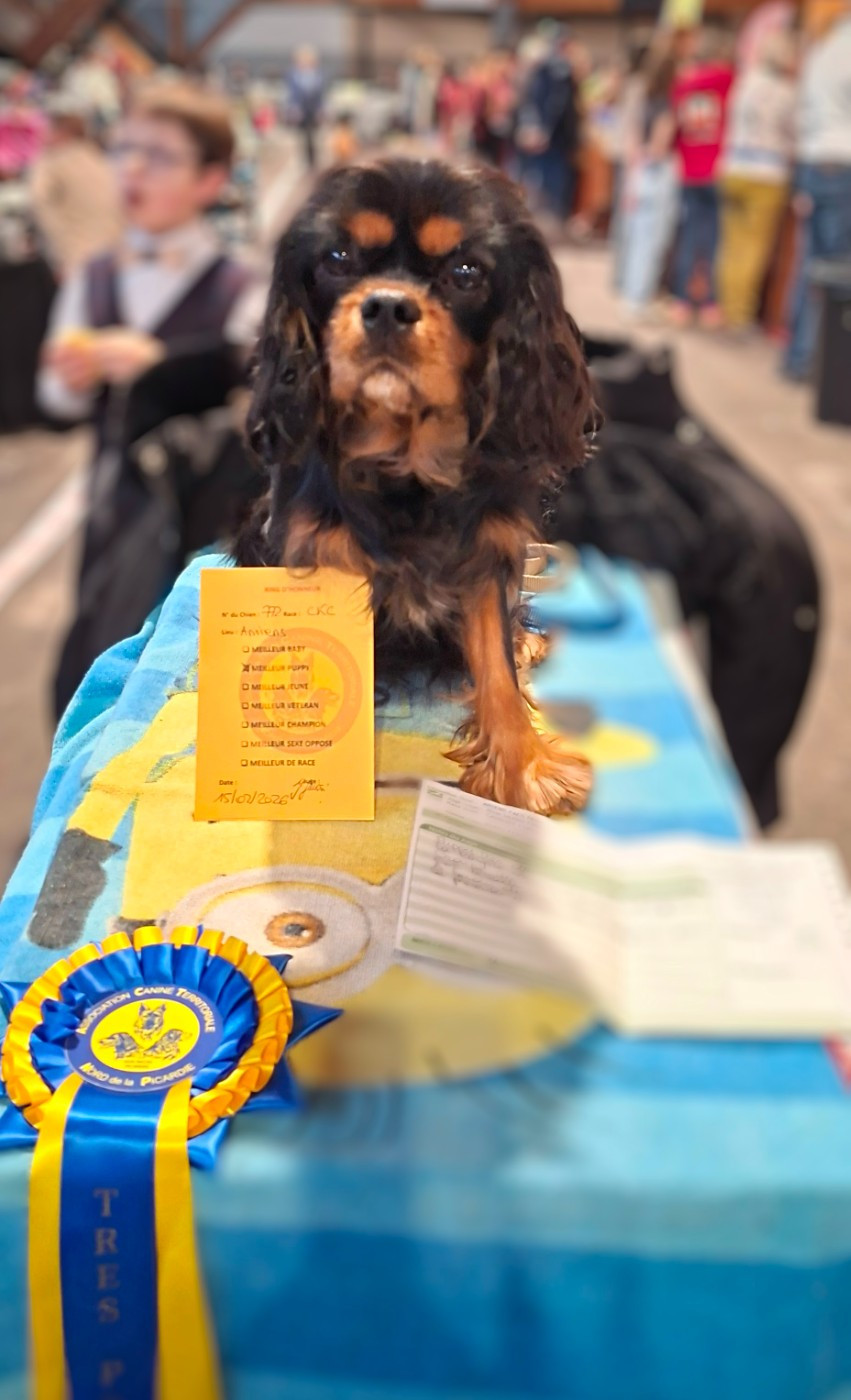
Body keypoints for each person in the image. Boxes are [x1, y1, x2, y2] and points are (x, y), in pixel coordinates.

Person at [37, 80, 264, 717]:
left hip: (206, 524)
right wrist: (72, 375)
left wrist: (161, 365)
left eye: (160, 156)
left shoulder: (242, 287)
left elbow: (268, 405)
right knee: (95, 668)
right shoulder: (93, 277)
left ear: (211, 179)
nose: (134, 168)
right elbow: (56, 403)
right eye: (125, 149)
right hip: (114, 513)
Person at [783, 0, 851, 380]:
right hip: (844, 162)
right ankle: (826, 370)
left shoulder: (822, 48)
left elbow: (802, 111)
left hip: (812, 161)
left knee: (809, 267)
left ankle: (798, 358)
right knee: (839, 275)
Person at [717, 29, 797, 334]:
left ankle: (725, 307)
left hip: (734, 167)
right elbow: (792, 134)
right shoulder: (787, 92)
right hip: (767, 173)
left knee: (730, 245)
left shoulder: (745, 83)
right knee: (753, 249)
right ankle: (740, 315)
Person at [669, 28, 734, 326]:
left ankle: (681, 302)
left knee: (689, 237)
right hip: (717, 169)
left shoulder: (682, 84)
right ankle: (710, 305)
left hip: (688, 169)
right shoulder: (727, 80)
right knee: (715, 242)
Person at [617, 46, 679, 317]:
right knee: (651, 240)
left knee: (634, 236)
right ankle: (638, 299)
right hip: (656, 172)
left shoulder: (641, 97)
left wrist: (633, 175)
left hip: (637, 171)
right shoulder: (666, 105)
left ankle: (630, 293)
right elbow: (659, 146)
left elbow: (631, 141)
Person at [29, 101, 122, 277]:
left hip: (77, 257)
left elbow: (39, 204)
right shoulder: (99, 159)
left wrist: (58, 256)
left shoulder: (51, 161)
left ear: (61, 132)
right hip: (116, 255)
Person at [515, 27, 581, 222]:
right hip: (552, 138)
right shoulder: (553, 68)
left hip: (556, 137)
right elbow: (543, 103)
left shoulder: (556, 69)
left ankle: (550, 219)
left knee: (550, 181)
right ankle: (547, 220)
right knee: (545, 181)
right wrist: (540, 130)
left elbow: (551, 104)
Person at [285, 46, 325, 171]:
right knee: (301, 137)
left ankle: (314, 161)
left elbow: (321, 95)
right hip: (300, 111)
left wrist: (321, 109)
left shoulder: (318, 75)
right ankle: (304, 161)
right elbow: (291, 94)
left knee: (314, 136)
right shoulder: (293, 75)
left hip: (313, 110)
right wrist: (293, 108)